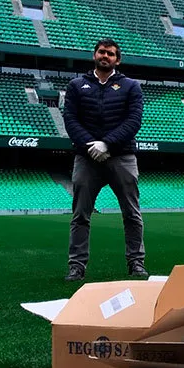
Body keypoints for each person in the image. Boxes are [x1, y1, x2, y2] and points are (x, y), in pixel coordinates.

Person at [63, 38, 146, 281]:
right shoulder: (76, 85)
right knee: (80, 215)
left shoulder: (131, 86)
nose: (105, 56)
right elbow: (70, 120)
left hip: (122, 156)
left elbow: (134, 121)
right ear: (94, 55)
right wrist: (91, 145)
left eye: (110, 53)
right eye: (101, 52)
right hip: (86, 158)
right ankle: (76, 266)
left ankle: (136, 262)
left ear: (117, 60)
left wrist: (107, 143)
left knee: (132, 214)